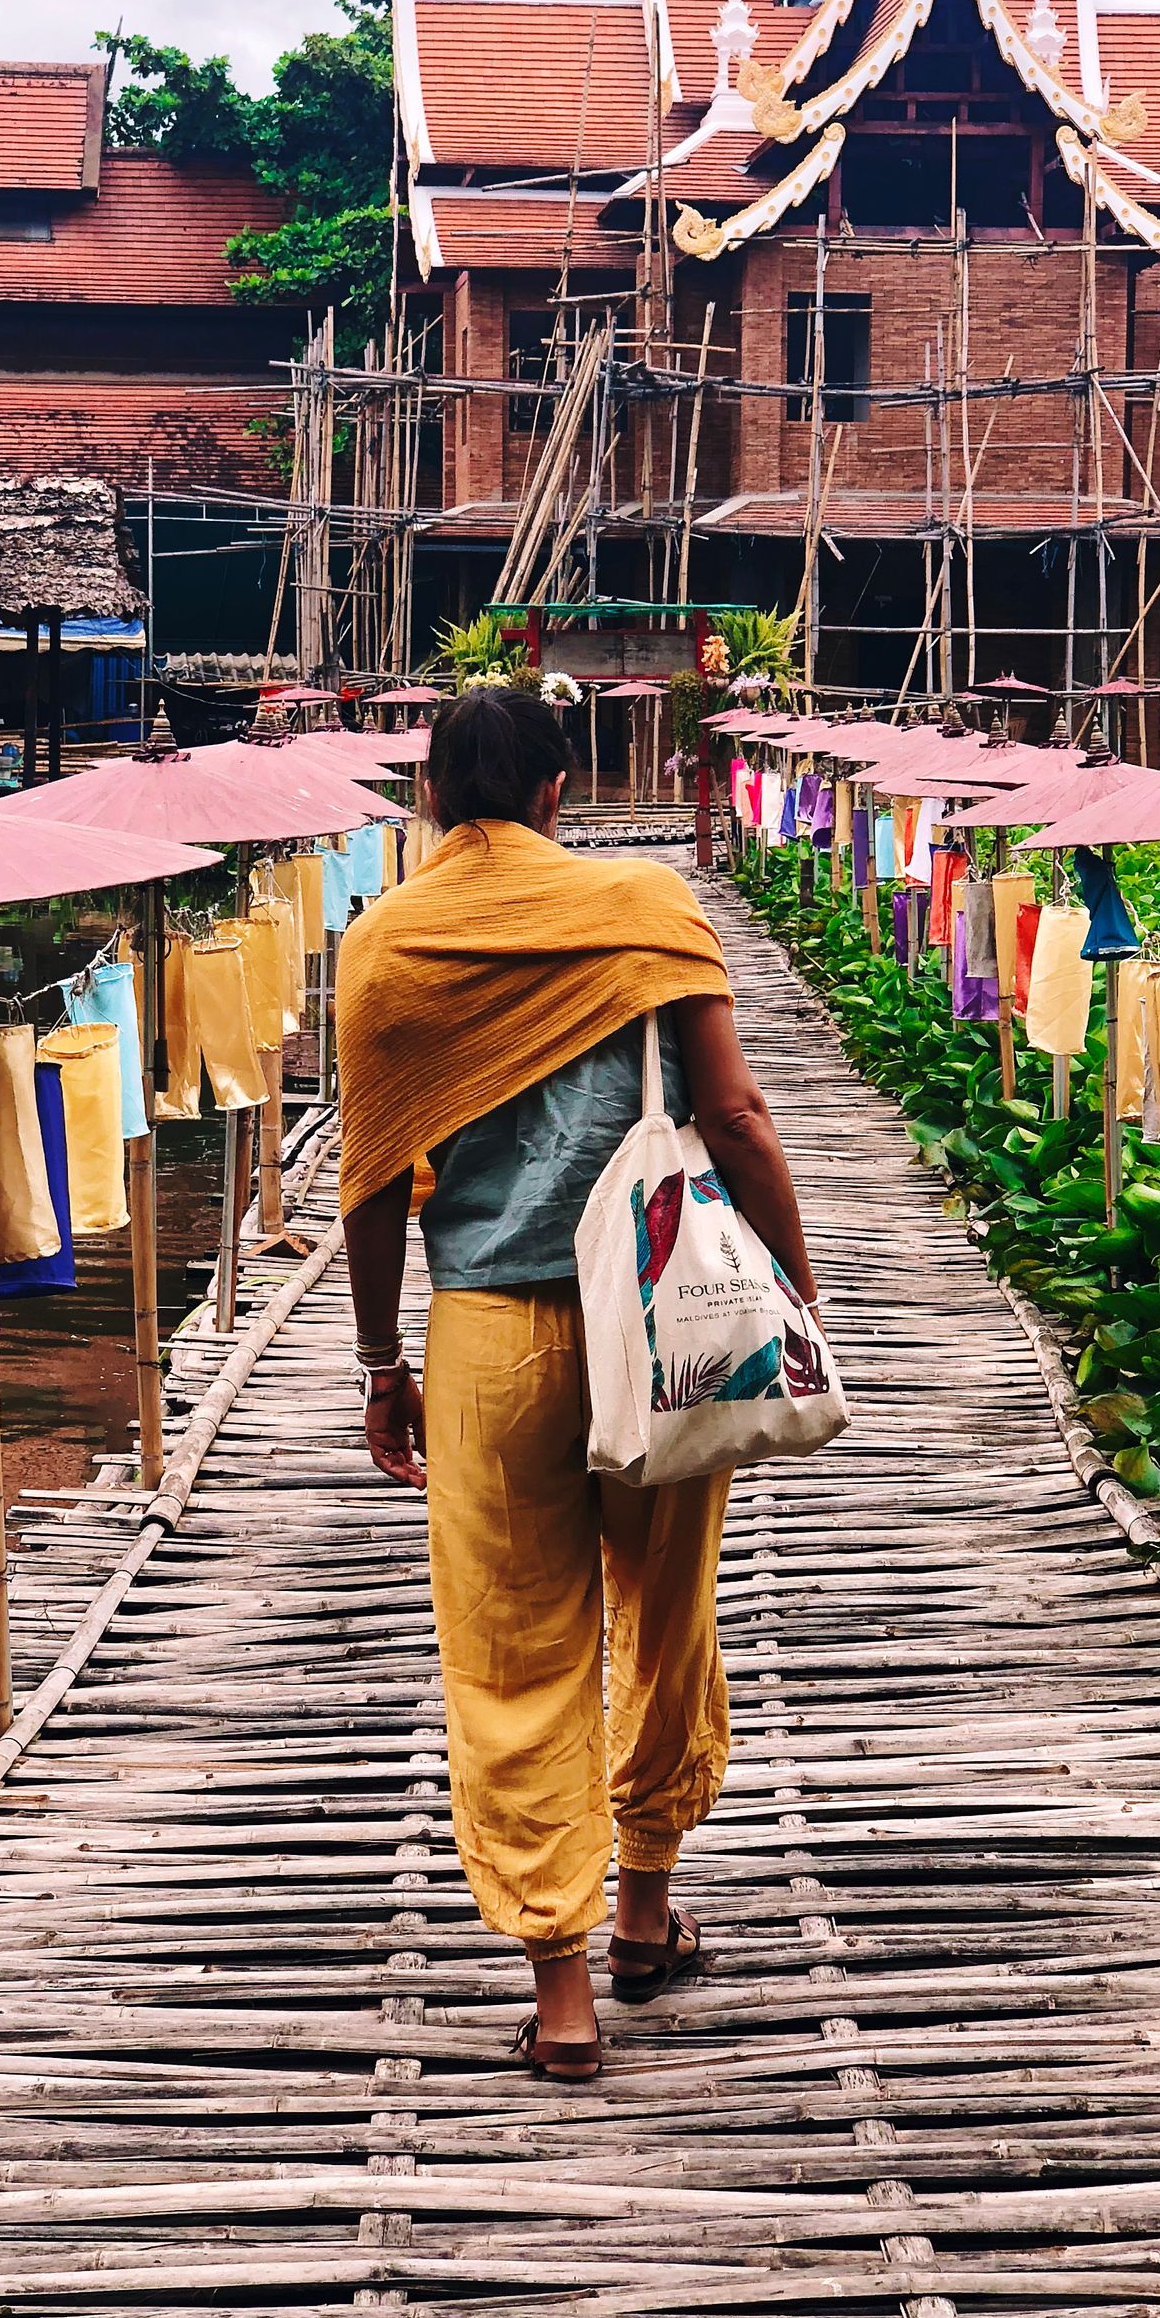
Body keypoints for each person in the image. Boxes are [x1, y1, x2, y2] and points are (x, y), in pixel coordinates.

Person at [336, 685, 822, 2081]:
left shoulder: (388, 946)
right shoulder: (648, 911)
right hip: (663, 1319)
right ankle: (646, 1912)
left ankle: (561, 1992)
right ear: (558, 793)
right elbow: (733, 1113)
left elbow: (371, 1187)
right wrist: (797, 1288)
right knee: (663, 1617)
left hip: (487, 1336)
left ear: (429, 798)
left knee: (512, 1652)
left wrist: (382, 1361)